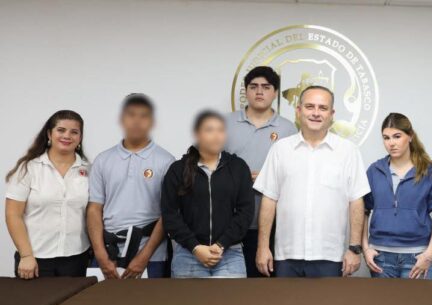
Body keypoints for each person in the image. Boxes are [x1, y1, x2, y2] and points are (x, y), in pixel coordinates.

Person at [254, 85, 370, 278]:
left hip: (330, 256)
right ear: (298, 111)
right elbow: (269, 200)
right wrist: (263, 247)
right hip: (286, 256)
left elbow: (356, 201)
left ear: (331, 114)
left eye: (322, 108)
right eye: (309, 106)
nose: (316, 113)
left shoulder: (348, 151)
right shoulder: (280, 150)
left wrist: (354, 249)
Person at [87, 94, 175, 279]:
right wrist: (100, 254)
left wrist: (144, 256)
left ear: (151, 121)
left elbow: (167, 213)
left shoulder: (166, 161)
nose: (136, 121)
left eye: (143, 116)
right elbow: (94, 208)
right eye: (131, 114)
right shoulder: (103, 160)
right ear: (122, 119)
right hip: (108, 252)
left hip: (151, 255)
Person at [161, 111, 254, 278]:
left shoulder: (238, 167)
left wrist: (221, 244)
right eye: (209, 130)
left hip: (229, 255)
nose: (216, 136)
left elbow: (245, 212)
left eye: (221, 130)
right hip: (188, 254)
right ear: (197, 134)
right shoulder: (178, 170)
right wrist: (195, 247)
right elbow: (170, 215)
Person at [225, 66, 296, 278]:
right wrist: (239, 177)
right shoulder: (225, 123)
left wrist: (266, 178)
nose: (259, 92)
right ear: (245, 91)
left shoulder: (287, 128)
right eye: (253, 86)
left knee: (267, 290)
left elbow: (295, 174)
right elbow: (206, 163)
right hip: (230, 221)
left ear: (275, 93)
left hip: (273, 223)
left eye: (266, 87)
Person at [362, 113, 432, 279]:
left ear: (410, 136)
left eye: (397, 136)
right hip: (381, 258)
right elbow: (363, 211)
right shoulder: (374, 171)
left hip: (417, 257)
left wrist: (429, 254)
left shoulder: (428, 171)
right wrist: (365, 248)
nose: (391, 143)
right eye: (386, 138)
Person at [5, 110, 90, 278]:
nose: (67, 136)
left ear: (80, 138)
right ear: (49, 134)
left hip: (77, 259)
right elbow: (13, 214)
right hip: (35, 260)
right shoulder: (28, 168)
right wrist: (26, 255)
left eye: (74, 132)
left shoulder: (89, 171)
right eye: (61, 130)